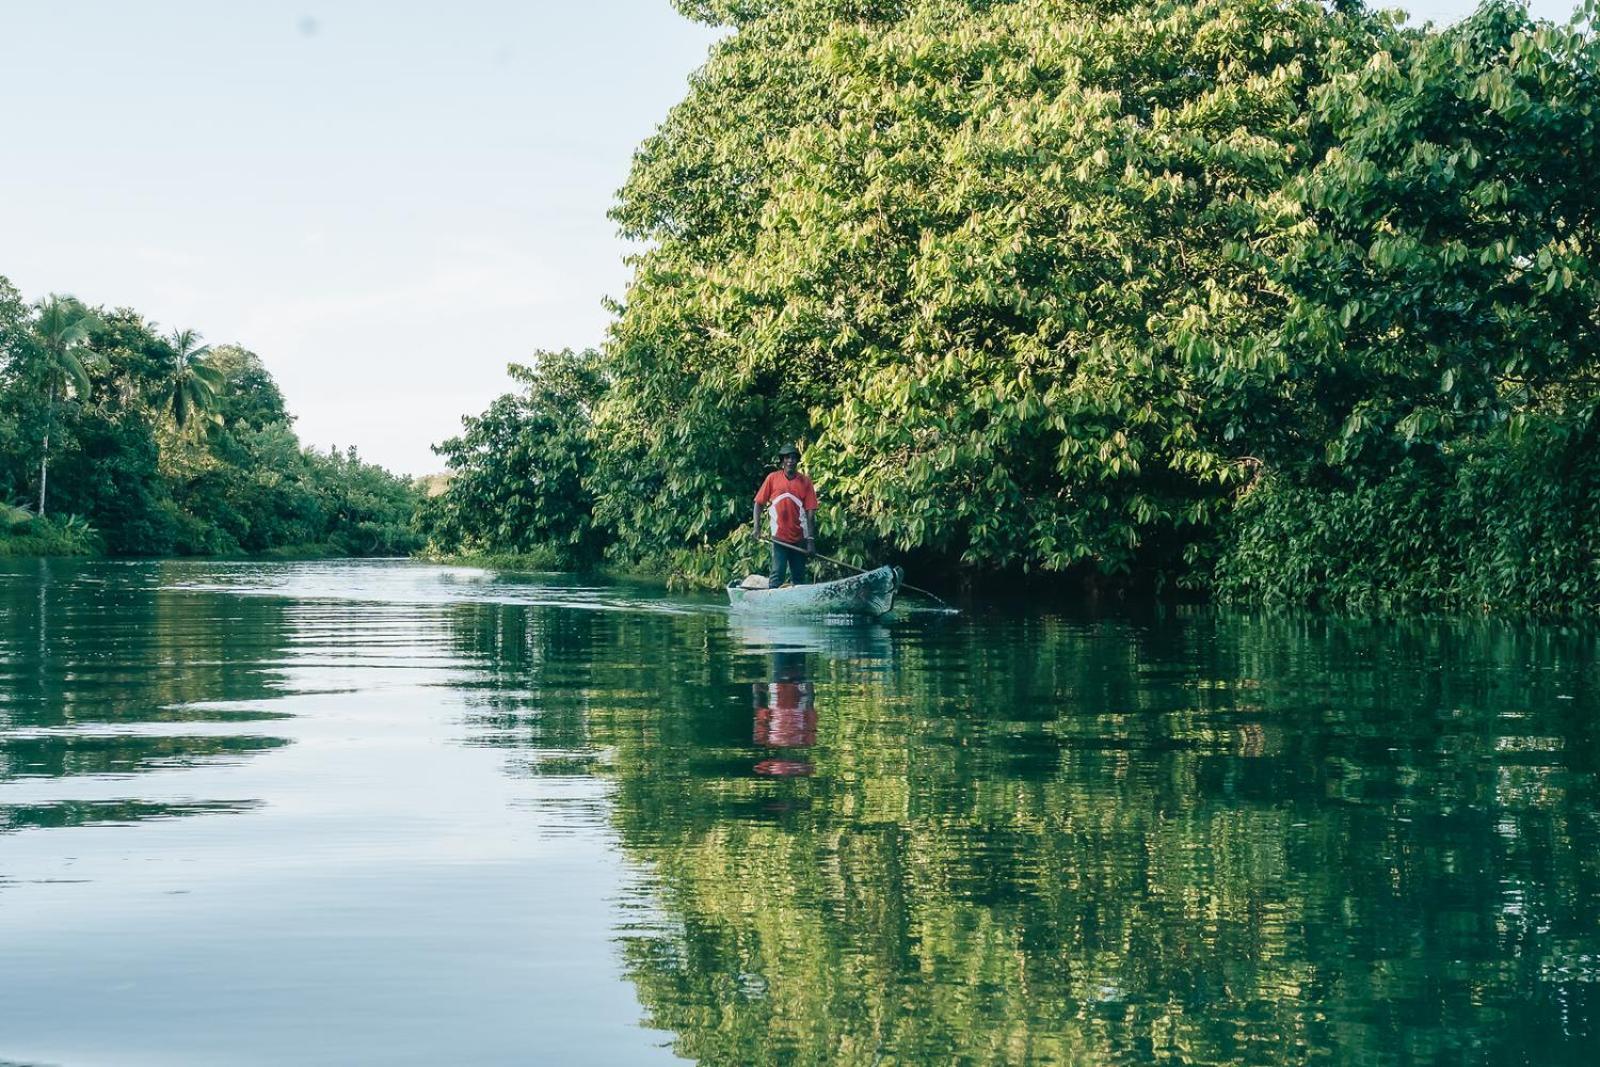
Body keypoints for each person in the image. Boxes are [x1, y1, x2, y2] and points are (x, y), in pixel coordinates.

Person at [752, 443, 817, 586]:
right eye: (787, 458)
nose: (790, 461)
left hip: (800, 538)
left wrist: (810, 541)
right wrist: (757, 528)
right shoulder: (772, 478)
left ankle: (798, 604)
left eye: (793, 458)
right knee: (777, 573)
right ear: (782, 461)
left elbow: (810, 513)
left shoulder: (805, 482)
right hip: (779, 537)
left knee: (799, 577)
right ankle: (773, 601)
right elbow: (758, 503)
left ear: (797, 461)